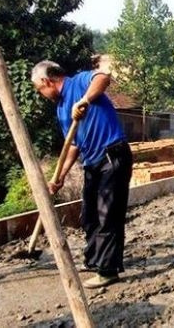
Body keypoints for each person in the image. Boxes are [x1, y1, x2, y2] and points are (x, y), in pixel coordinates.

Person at [32, 58, 133, 288]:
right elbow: (73, 145)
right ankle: (94, 261)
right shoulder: (61, 110)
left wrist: (85, 100)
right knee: (89, 217)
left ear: (47, 81)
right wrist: (59, 176)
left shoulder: (79, 82)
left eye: (40, 89)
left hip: (112, 155)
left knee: (107, 215)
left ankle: (108, 271)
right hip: (92, 162)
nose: (41, 94)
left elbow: (103, 77)